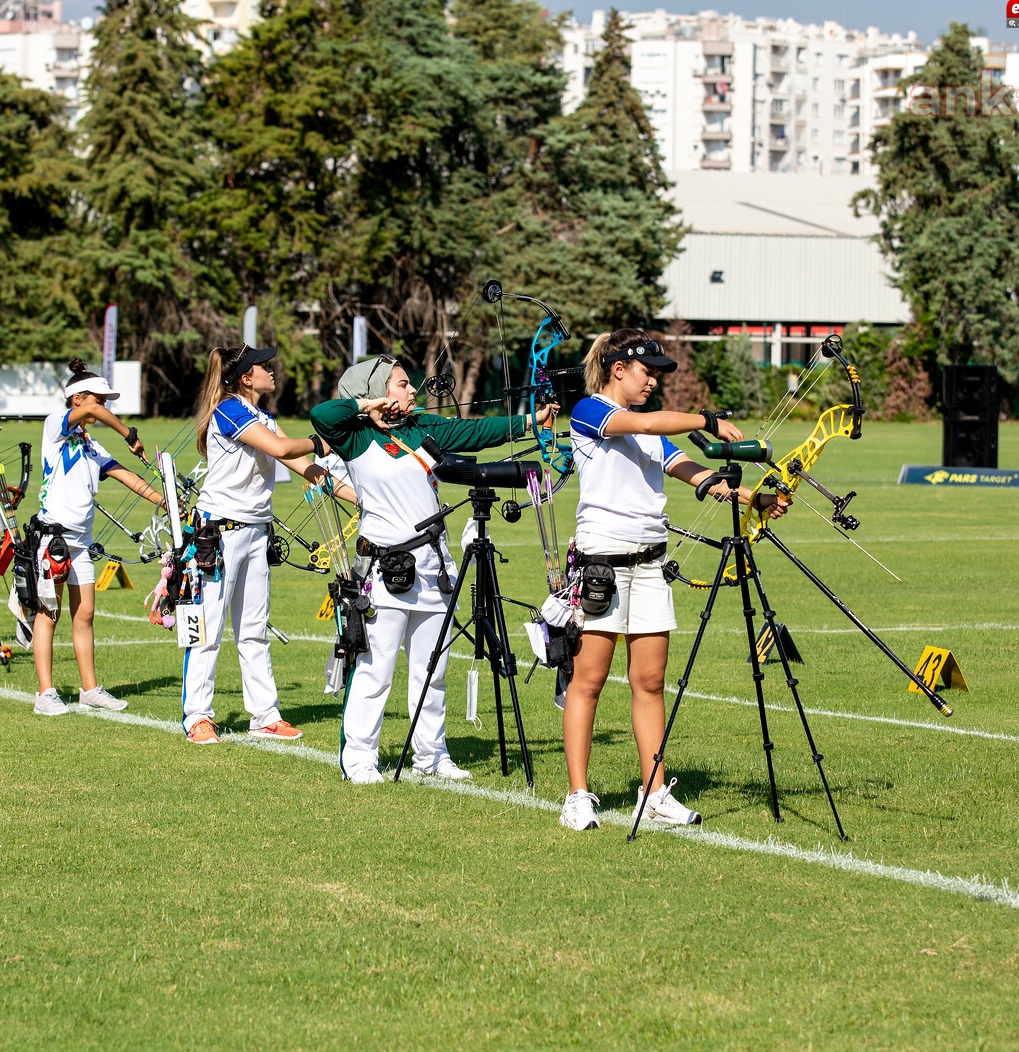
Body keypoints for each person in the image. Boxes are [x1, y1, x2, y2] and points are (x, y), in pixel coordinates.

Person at [557, 329, 787, 833]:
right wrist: (708, 419)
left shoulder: (649, 430)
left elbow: (695, 472)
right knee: (589, 680)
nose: (653, 382)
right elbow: (644, 421)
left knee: (651, 681)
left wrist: (755, 497)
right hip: (603, 565)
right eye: (647, 373)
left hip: (650, 564)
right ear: (619, 369)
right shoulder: (590, 412)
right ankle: (577, 795)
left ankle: (654, 792)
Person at [309, 357, 553, 785]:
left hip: (433, 565)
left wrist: (532, 420)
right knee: (375, 666)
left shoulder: (421, 429)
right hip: (385, 566)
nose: (412, 392)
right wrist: (370, 405)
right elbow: (322, 413)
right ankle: (360, 757)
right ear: (379, 390)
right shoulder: (355, 436)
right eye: (402, 385)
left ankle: (432, 753)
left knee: (433, 667)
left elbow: (478, 432)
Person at [177, 345, 357, 744]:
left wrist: (360, 497)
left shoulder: (263, 416)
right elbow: (280, 449)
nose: (271, 370)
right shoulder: (228, 409)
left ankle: (265, 715)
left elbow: (304, 468)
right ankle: (197, 717)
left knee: (253, 629)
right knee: (207, 630)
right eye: (263, 366)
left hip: (256, 532)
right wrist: (320, 441)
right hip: (216, 534)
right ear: (245, 377)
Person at [30, 360, 166, 716]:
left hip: (80, 544)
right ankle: (45, 693)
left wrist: (165, 501)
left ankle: (89, 689)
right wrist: (128, 433)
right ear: (79, 399)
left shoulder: (91, 444)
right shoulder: (54, 427)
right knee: (49, 612)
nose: (103, 407)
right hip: (53, 539)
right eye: (100, 400)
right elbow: (91, 410)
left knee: (85, 613)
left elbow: (123, 475)